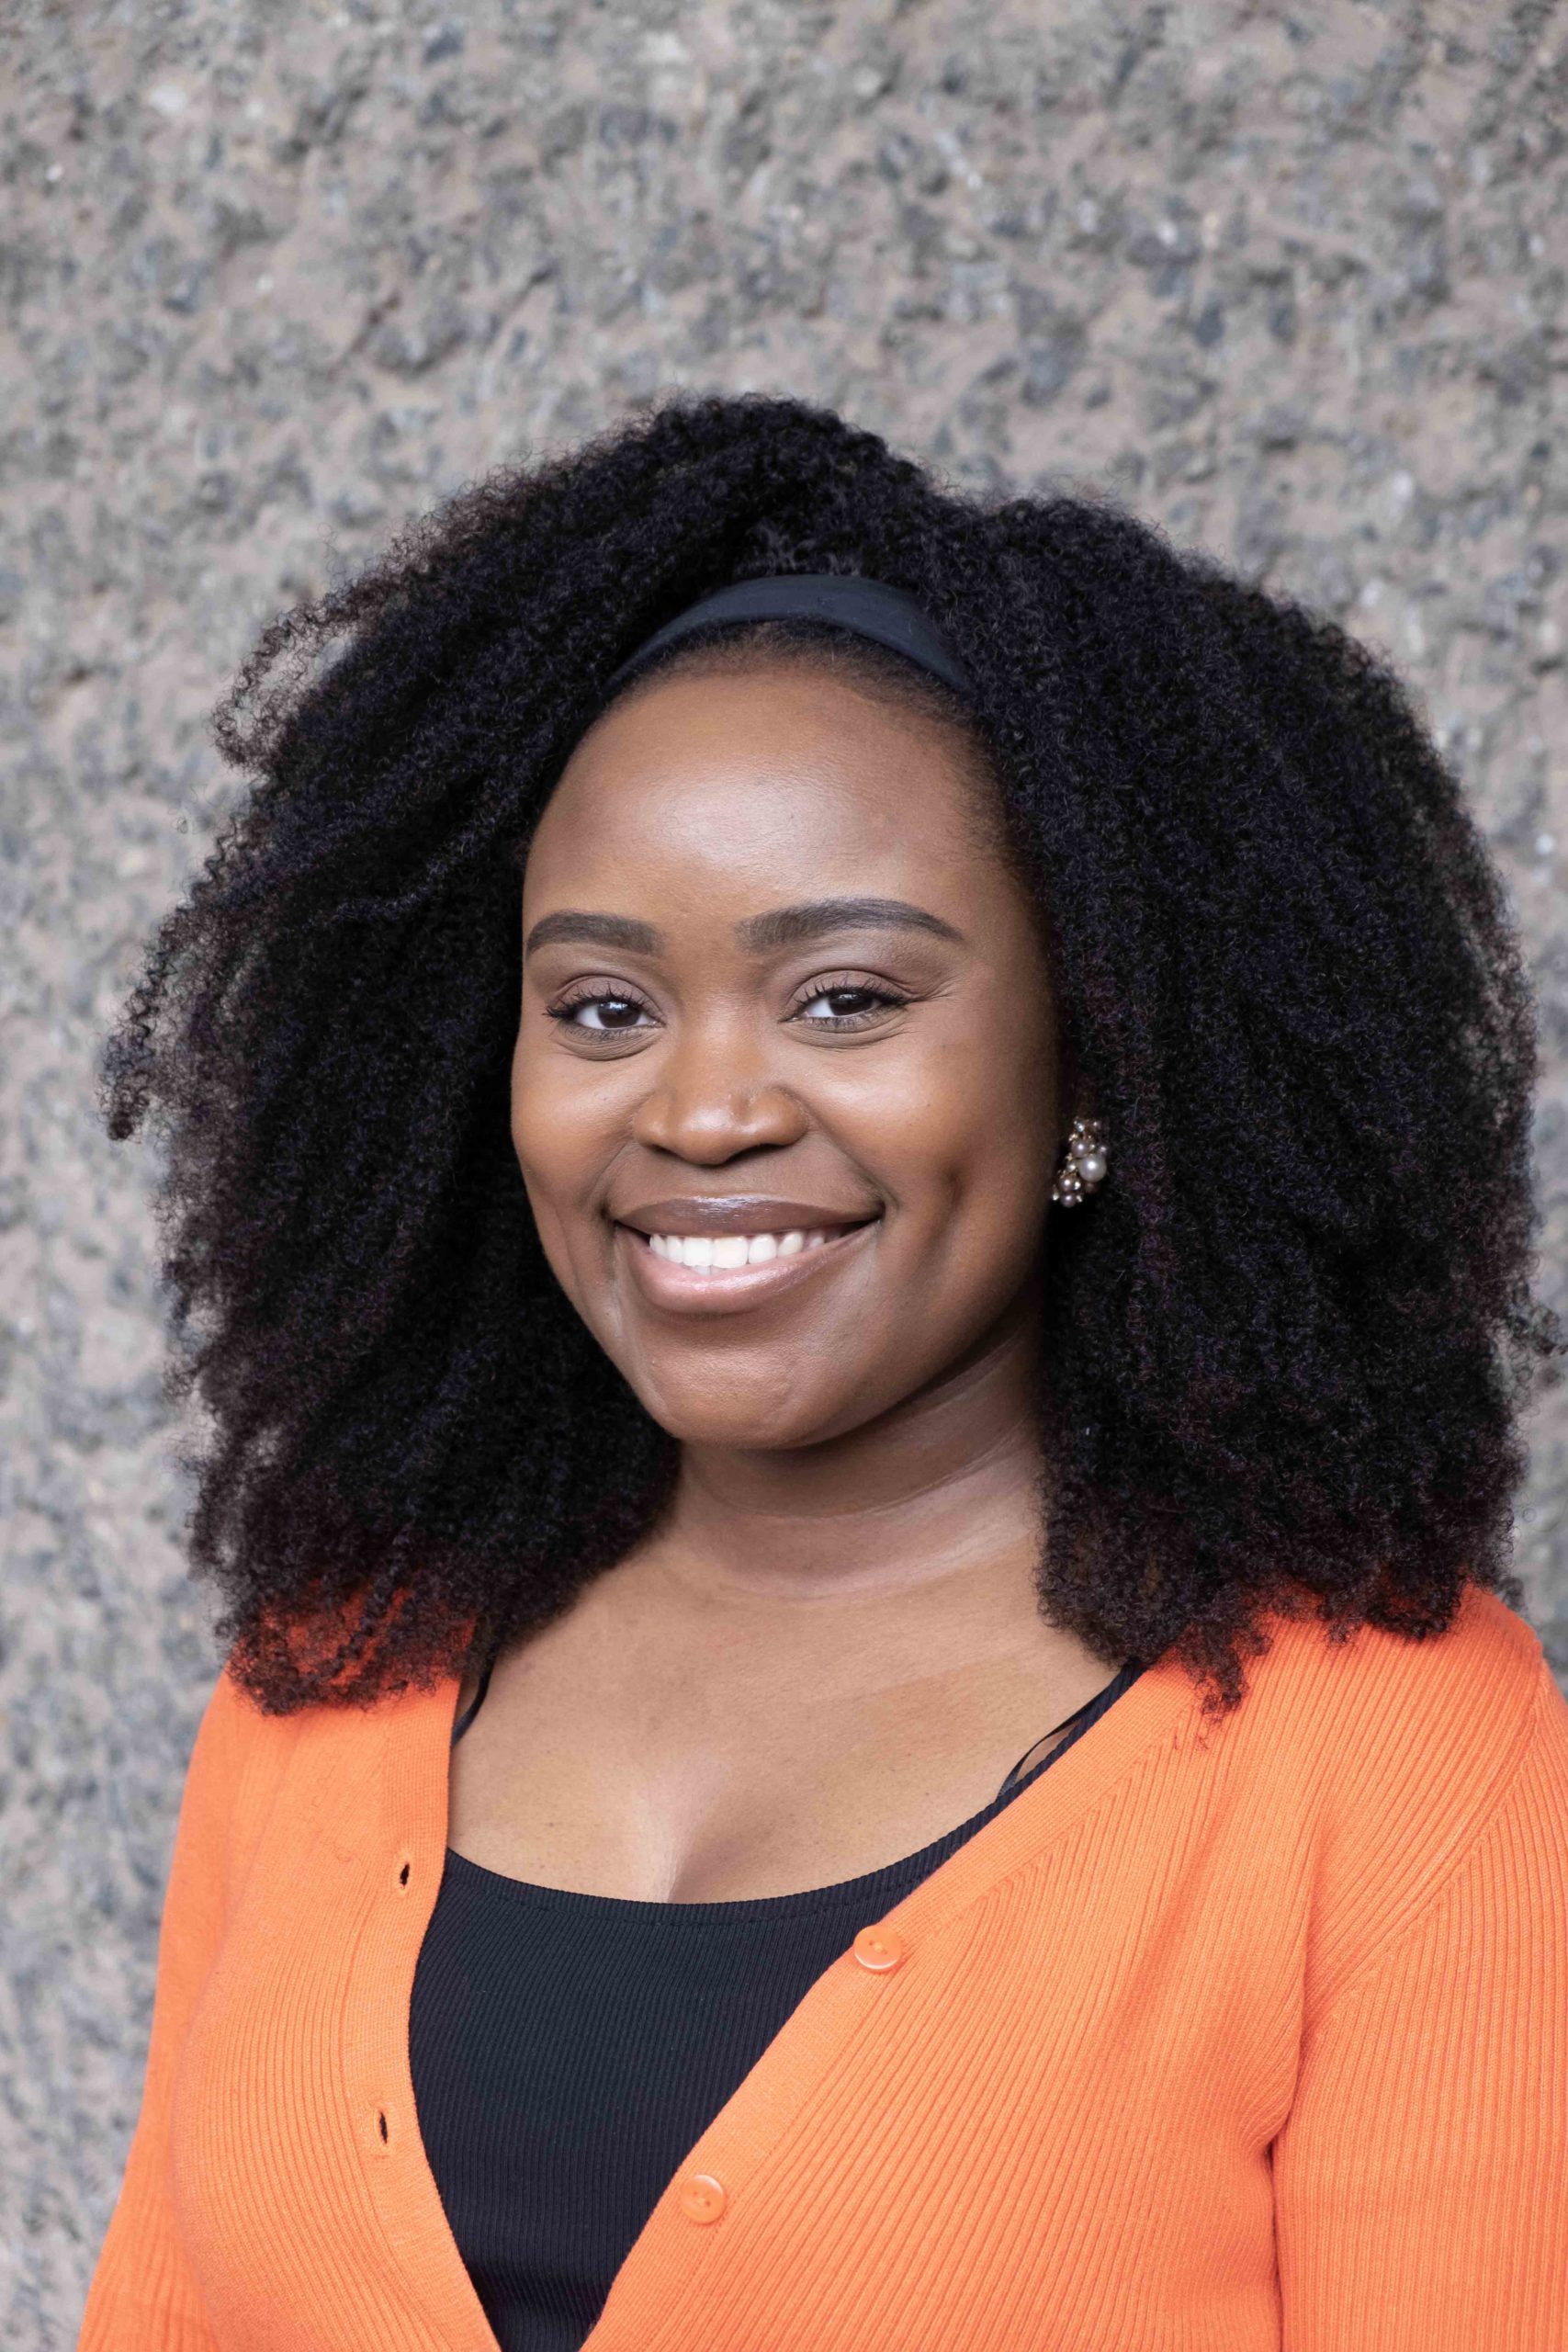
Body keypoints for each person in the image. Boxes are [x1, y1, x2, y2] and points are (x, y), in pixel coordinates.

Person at [80, 393, 1567, 2352]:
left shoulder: (1396, 1763)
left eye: (844, 995)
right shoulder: (330, 1675)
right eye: (600, 1003)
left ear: (1098, 1065)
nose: (698, 1106)